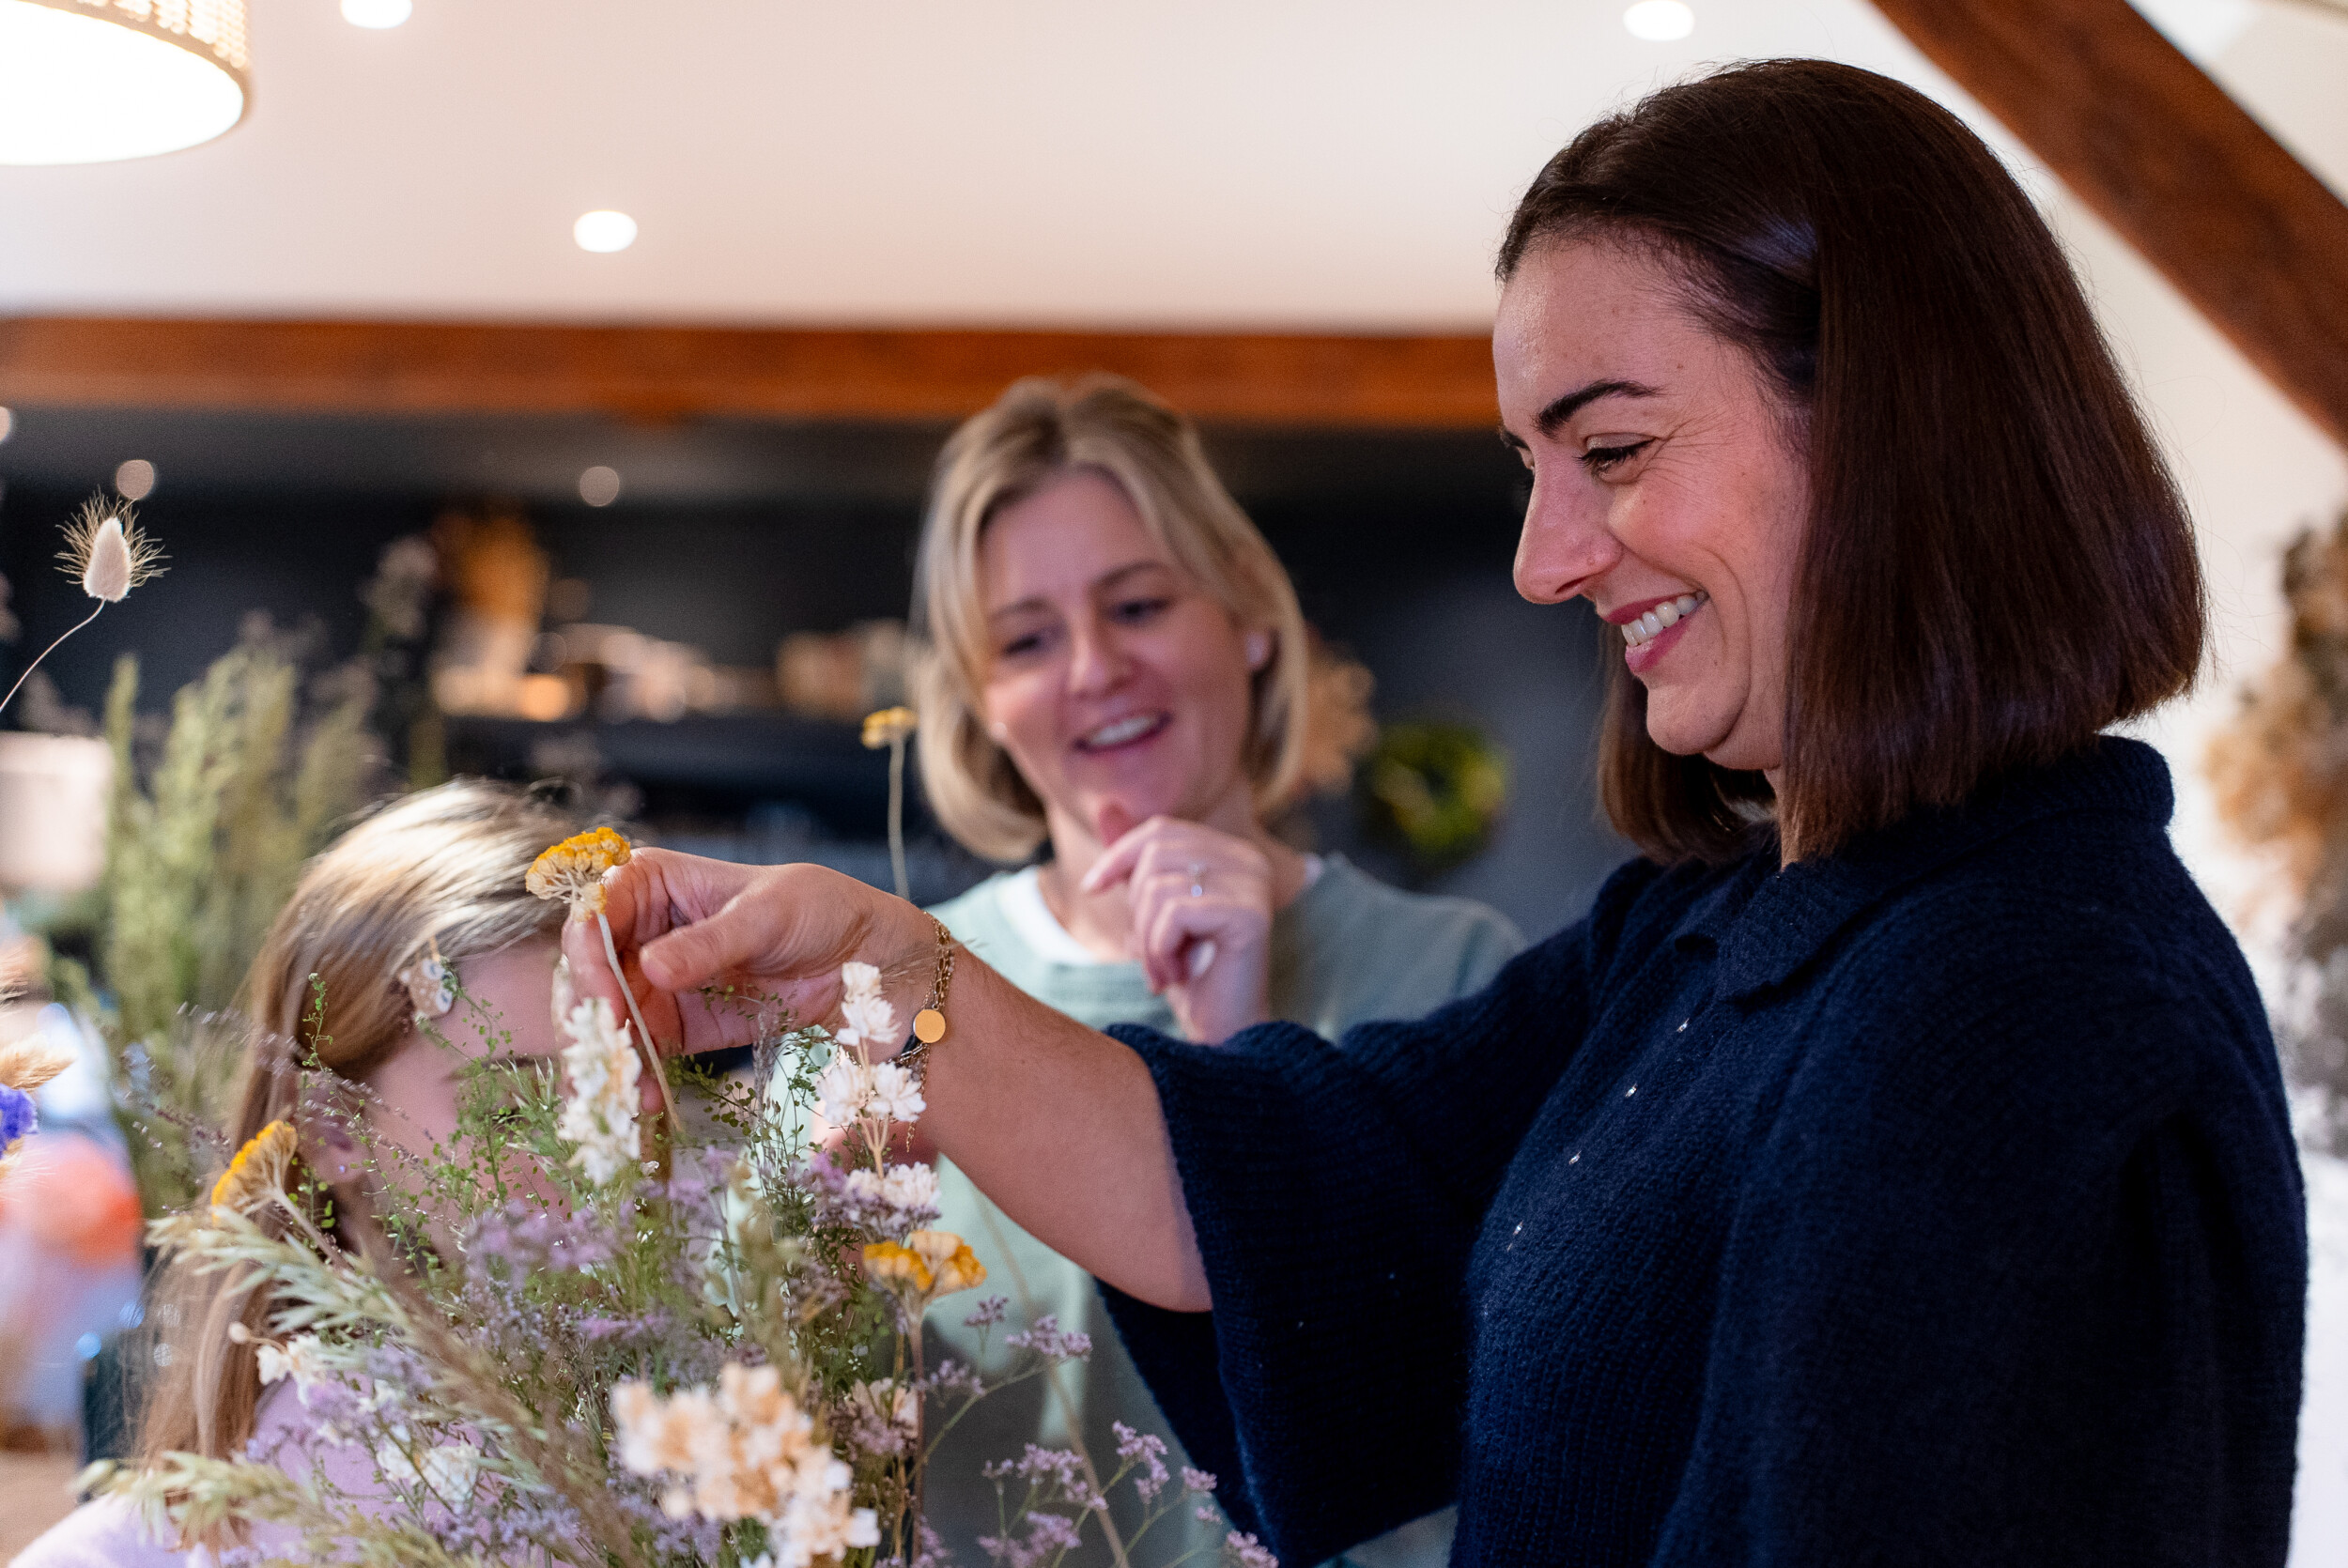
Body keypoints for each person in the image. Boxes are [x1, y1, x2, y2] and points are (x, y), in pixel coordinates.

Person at [572, 60, 2307, 1567]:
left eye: (1612, 451)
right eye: (1531, 469)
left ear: (1887, 426)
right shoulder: (1714, 924)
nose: (1546, 557)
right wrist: (882, 975)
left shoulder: (2035, 1012)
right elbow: (1334, 1190)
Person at [905, 375, 1522, 1567]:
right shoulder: (902, 1001)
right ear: (984, 700)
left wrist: (1241, 1066)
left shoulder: (1460, 975)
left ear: (1246, 614)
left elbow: (1490, 1429)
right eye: (1027, 637)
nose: (1091, 667)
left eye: (1136, 604)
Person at [17, 781, 584, 1568]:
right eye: (509, 1107)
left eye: (623, 1076)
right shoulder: (313, 1493)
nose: (595, 1148)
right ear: (333, 1127)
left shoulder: (706, 1420)